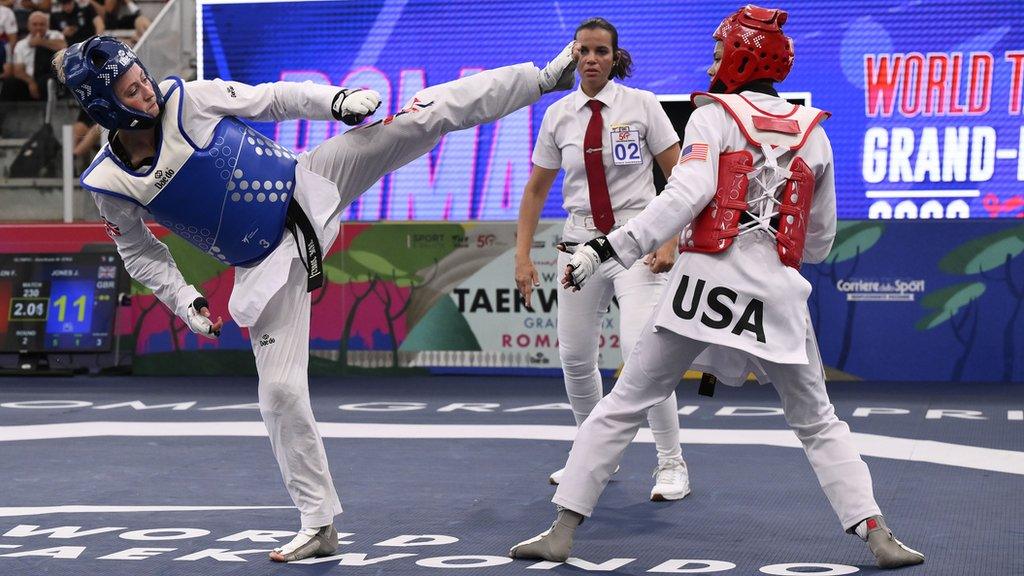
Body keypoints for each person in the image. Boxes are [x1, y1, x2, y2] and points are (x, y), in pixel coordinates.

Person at [53, 34, 578, 563]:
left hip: (311, 182)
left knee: (422, 115)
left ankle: (540, 78)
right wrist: (185, 301)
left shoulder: (191, 98)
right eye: (131, 90)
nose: (147, 92)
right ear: (103, 104)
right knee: (279, 393)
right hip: (265, 268)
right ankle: (319, 524)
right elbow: (141, 253)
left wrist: (337, 102)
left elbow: (274, 99)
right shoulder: (108, 182)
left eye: (143, 78)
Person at [509, 5, 925, 570]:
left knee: (623, 403)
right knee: (819, 421)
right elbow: (821, 244)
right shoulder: (816, 135)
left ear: (739, 54)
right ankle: (878, 534)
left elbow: (682, 198)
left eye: (717, 51)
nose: (711, 63)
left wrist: (605, 249)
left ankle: (561, 530)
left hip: (701, 290)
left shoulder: (713, 117)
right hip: (778, 298)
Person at [515, 17, 688, 501]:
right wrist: (522, 256)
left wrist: (670, 238)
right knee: (574, 357)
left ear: (615, 57)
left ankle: (672, 463)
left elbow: (680, 179)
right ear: (573, 55)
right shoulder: (558, 116)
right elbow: (533, 191)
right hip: (578, 244)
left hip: (636, 242)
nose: (591, 58)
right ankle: (594, 456)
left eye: (601, 51)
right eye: (584, 51)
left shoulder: (643, 106)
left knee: (642, 353)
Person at [1, 10, 63, 100]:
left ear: (47, 25)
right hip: (28, 82)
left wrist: (41, 42)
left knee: (47, 81)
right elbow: (18, 71)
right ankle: (5, 113)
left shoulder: (56, 35)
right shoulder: (21, 44)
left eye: (42, 24)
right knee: (9, 83)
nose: (38, 27)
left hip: (49, 78)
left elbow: (63, 47)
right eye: (35, 24)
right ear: (28, 26)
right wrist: (31, 83)